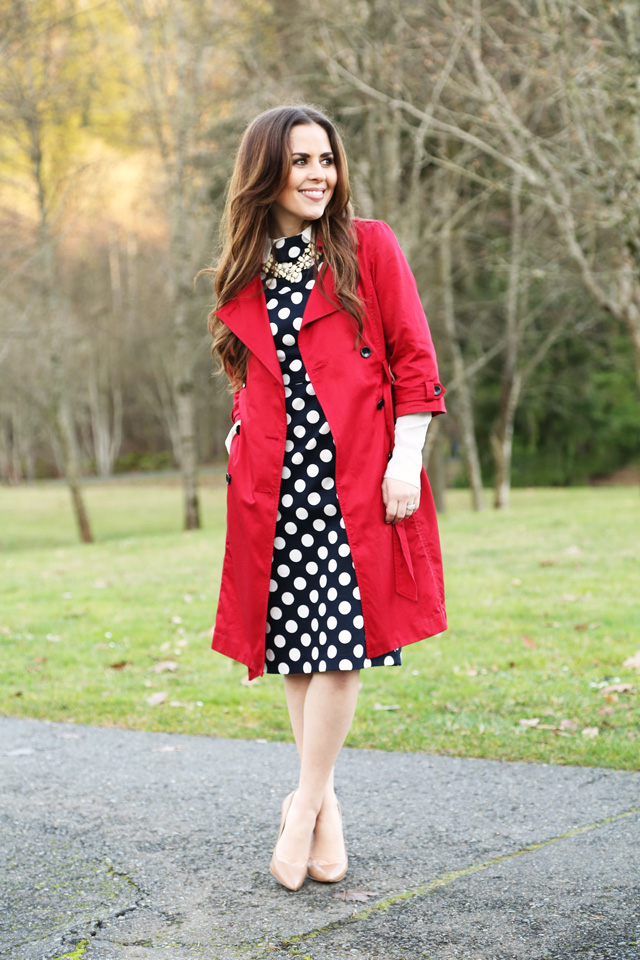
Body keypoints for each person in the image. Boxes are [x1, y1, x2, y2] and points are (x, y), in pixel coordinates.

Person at [205, 104, 447, 892]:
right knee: (297, 650)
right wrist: (239, 434)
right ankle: (327, 804)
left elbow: (413, 353)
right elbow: (252, 375)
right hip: (277, 489)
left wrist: (406, 457)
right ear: (265, 172)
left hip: (359, 478)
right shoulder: (246, 269)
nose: (319, 174)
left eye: (327, 160)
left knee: (345, 646)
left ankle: (304, 807)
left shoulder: (368, 245)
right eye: (301, 160)